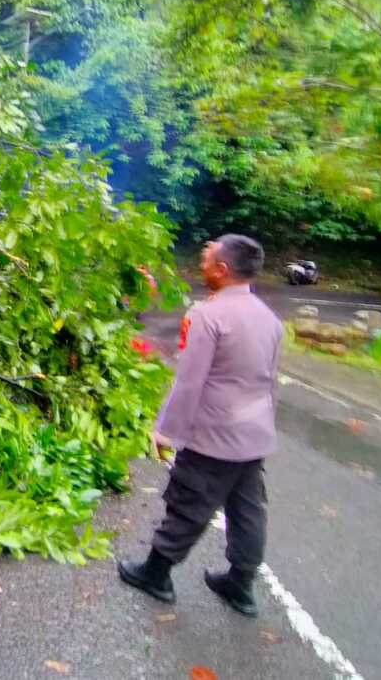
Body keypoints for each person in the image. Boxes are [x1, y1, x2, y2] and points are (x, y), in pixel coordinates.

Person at [118, 234, 282, 617]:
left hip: (214, 435)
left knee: (189, 502)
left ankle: (156, 574)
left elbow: (189, 381)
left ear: (222, 270)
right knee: (247, 509)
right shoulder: (270, 319)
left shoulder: (207, 316)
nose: (200, 262)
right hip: (254, 435)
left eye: (206, 258)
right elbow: (270, 381)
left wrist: (165, 431)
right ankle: (240, 585)